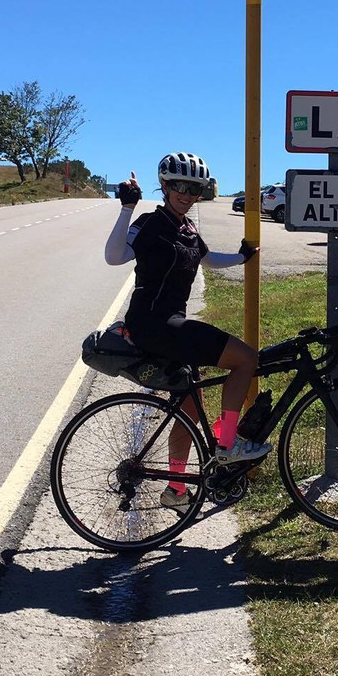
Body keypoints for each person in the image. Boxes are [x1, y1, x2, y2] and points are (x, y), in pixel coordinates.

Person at [104, 151, 266, 509]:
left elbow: (208, 259)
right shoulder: (148, 223)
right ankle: (227, 444)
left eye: (195, 187)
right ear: (164, 185)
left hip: (171, 327)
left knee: (190, 408)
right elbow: (114, 257)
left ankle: (176, 489)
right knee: (246, 359)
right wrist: (127, 207)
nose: (187, 193)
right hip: (154, 324)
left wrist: (241, 257)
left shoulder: (189, 230)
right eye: (179, 185)